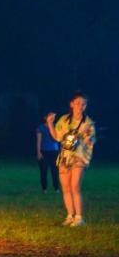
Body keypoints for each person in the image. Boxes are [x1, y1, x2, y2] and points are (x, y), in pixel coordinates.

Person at [46, 92, 96, 227]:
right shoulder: (64, 120)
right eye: (78, 103)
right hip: (65, 156)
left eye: (83, 104)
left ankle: (79, 218)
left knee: (75, 186)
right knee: (66, 187)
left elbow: (90, 140)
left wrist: (87, 138)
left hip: (79, 157)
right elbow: (57, 137)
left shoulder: (88, 122)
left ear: (86, 106)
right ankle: (70, 216)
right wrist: (50, 124)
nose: (80, 106)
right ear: (72, 104)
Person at [36, 114, 60, 194]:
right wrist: (39, 152)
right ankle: (44, 189)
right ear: (45, 117)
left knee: (55, 171)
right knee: (44, 171)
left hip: (54, 151)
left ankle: (56, 189)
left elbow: (59, 138)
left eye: (53, 117)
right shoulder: (41, 128)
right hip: (44, 151)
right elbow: (39, 140)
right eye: (50, 116)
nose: (52, 118)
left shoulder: (57, 126)